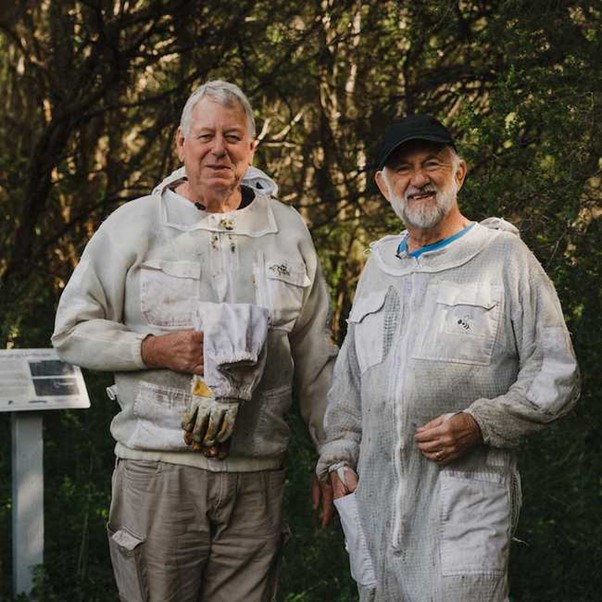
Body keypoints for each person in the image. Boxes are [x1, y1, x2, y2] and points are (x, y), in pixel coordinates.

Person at [52, 80, 337, 602]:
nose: (218, 149)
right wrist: (153, 349)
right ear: (180, 143)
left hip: (258, 478)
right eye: (204, 135)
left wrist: (333, 452)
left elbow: (317, 358)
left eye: (233, 136)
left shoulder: (288, 230)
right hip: (160, 472)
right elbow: (71, 331)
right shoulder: (134, 225)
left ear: (252, 147)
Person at [316, 114, 580, 601]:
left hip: (462, 512)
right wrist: (337, 459)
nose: (418, 179)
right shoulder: (379, 268)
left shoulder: (502, 256)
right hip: (375, 515)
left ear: (458, 173)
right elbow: (349, 387)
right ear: (382, 185)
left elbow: (556, 373)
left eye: (431, 163)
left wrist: (480, 424)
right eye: (402, 169)